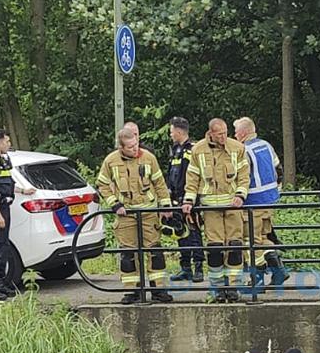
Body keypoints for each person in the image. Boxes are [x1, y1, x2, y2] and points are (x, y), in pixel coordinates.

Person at [96, 127, 174, 304]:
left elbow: (160, 183)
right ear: (121, 147)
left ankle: (158, 289)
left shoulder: (148, 158)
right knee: (128, 254)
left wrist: (165, 205)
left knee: (155, 251)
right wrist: (114, 204)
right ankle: (132, 291)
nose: (135, 149)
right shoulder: (111, 161)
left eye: (136, 144)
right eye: (130, 147)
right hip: (126, 214)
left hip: (149, 213)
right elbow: (102, 184)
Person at [183, 118, 250, 302]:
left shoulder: (237, 148)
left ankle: (234, 286)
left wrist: (240, 195)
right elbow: (192, 178)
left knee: (235, 246)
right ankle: (218, 287)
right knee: (215, 248)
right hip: (210, 207)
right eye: (220, 133)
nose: (224, 136)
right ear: (210, 133)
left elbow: (244, 176)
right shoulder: (198, 150)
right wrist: (189, 201)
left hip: (233, 205)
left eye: (226, 132)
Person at [0, 129, 36, 300]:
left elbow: (5, 184)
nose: (9, 144)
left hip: (3, 206)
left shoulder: (2, 159)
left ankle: (0, 283)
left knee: (3, 246)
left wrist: (23, 190)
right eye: (7, 141)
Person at [233, 116, 288, 291]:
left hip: (253, 202)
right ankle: (279, 271)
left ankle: (256, 281)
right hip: (269, 201)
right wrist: (275, 192)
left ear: (243, 133)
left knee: (250, 240)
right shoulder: (266, 145)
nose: (234, 135)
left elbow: (240, 179)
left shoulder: (243, 150)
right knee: (264, 238)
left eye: (235, 132)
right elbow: (278, 170)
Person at [165, 117, 205, 283]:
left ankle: (198, 268)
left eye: (172, 131)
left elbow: (196, 174)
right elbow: (172, 173)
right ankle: (185, 268)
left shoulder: (193, 149)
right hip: (175, 199)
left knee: (194, 233)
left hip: (189, 199)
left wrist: (191, 198)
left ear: (179, 131)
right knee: (181, 233)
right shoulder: (175, 149)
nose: (170, 134)